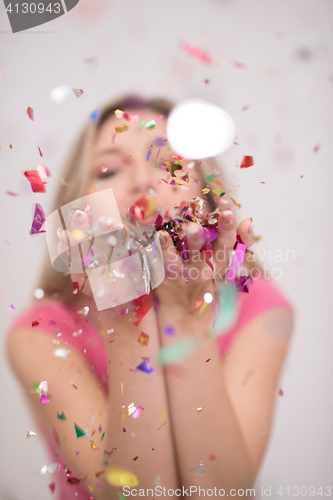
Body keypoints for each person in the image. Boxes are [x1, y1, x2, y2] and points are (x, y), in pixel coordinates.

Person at [6, 95, 293, 500]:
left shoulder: (258, 308)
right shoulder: (38, 333)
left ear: (207, 195)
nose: (142, 182)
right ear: (76, 213)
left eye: (170, 164)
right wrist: (127, 317)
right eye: (108, 169)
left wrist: (188, 319)